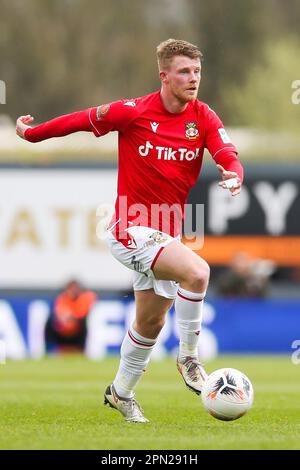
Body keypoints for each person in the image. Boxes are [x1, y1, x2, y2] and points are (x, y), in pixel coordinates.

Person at [16, 38, 243, 423]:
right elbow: (79, 121)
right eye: (185, 72)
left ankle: (120, 393)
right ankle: (188, 356)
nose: (193, 79)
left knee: (150, 322)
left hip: (165, 237)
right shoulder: (132, 112)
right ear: (164, 76)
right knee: (198, 272)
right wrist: (32, 134)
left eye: (197, 71)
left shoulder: (203, 118)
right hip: (129, 228)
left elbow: (226, 153)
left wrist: (234, 175)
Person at [45, 280, 97, 352]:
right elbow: (60, 314)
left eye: (75, 289)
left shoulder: (83, 298)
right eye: (71, 289)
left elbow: (81, 314)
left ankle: (82, 350)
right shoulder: (63, 298)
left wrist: (71, 316)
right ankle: (49, 350)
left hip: (77, 330)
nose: (73, 291)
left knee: (83, 322)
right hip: (63, 330)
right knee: (50, 322)